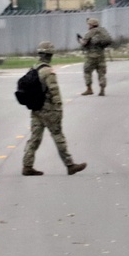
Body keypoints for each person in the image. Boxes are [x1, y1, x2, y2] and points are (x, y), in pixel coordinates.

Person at [22, 42, 87, 176]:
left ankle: (27, 165)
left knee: (34, 138)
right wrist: (58, 108)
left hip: (36, 109)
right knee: (58, 136)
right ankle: (70, 165)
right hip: (49, 109)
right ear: (49, 55)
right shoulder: (48, 71)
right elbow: (54, 91)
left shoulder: (33, 68)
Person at [78, 17, 112, 96]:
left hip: (91, 56)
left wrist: (80, 40)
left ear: (91, 25)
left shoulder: (90, 32)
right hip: (101, 55)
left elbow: (84, 43)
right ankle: (102, 89)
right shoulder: (102, 31)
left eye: (89, 24)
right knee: (101, 73)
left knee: (87, 71)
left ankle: (89, 89)